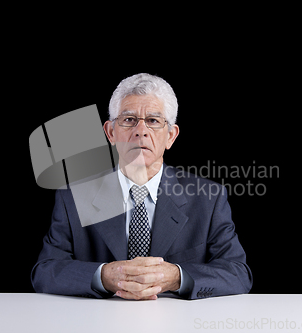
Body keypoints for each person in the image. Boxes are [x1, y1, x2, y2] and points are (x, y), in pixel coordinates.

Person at [31, 73, 252, 300]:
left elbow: (238, 274)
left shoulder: (208, 198)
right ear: (110, 132)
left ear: (171, 137)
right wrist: (103, 276)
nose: (141, 131)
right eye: (128, 120)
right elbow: (46, 271)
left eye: (154, 121)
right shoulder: (73, 197)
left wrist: (176, 277)